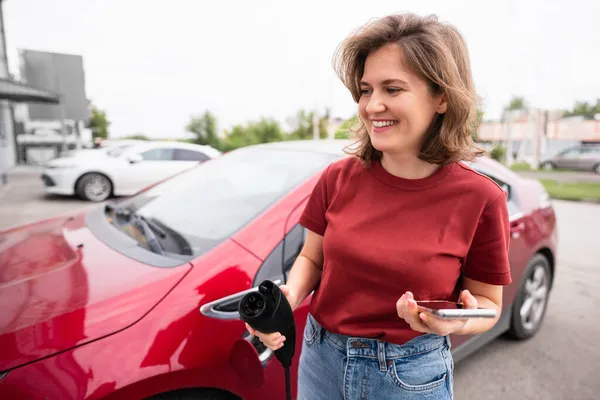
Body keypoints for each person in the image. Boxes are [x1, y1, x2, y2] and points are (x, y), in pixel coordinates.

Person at [245, 13, 511, 400]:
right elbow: (312, 260)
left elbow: (488, 306)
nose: (373, 106)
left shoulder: (481, 198)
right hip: (320, 358)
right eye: (366, 90)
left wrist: (453, 322)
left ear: (441, 98)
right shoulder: (336, 179)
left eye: (393, 89)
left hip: (409, 374)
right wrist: (290, 296)